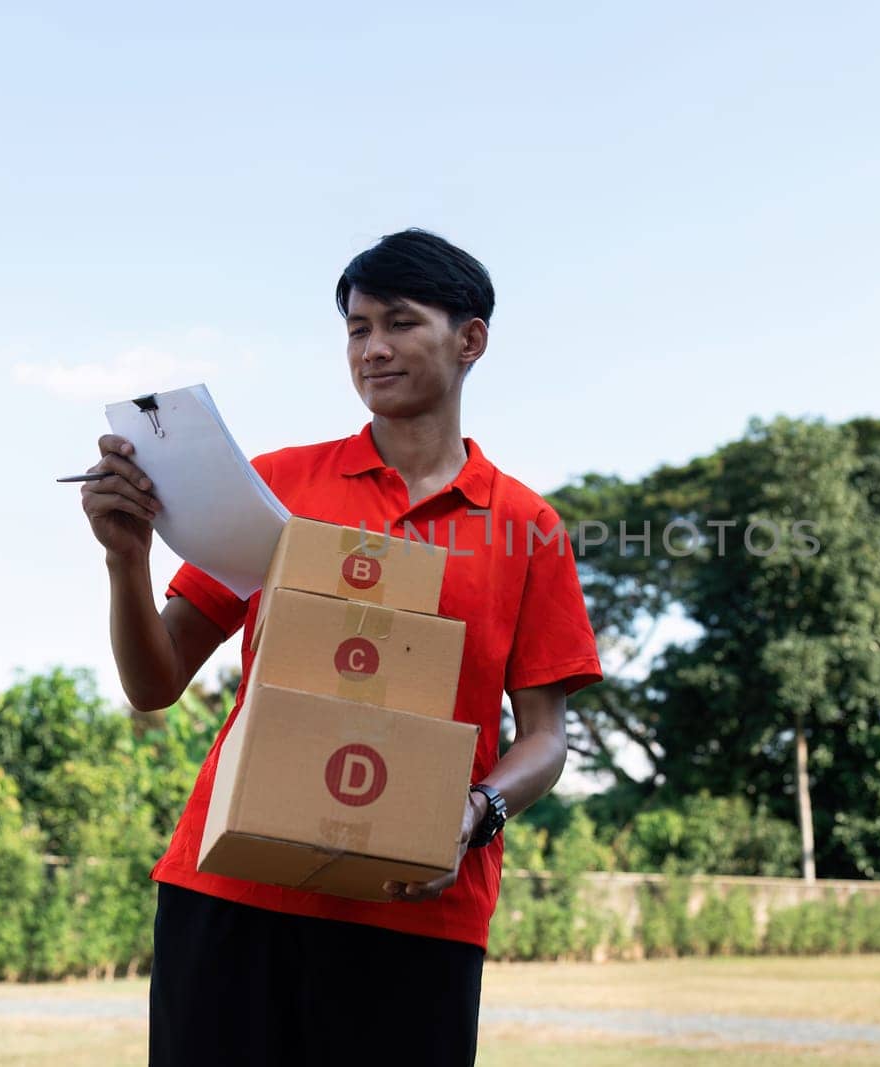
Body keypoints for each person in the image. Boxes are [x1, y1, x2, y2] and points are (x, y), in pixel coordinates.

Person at [78, 229, 603, 1065]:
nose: (373, 348)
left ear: (471, 340)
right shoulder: (277, 487)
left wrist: (476, 812)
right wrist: (126, 559)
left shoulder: (526, 528)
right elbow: (156, 682)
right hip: (232, 894)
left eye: (400, 323)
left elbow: (544, 737)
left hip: (419, 911)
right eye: (358, 329)